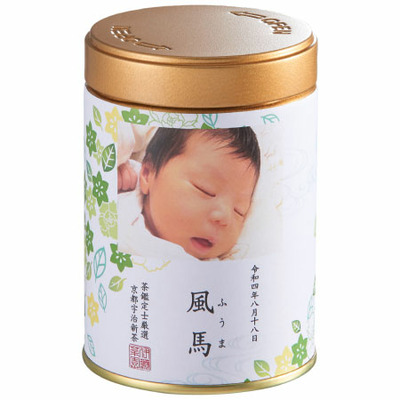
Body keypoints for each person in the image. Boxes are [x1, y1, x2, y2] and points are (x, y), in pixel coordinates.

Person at [118, 127, 260, 260]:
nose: (224, 217)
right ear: (148, 173)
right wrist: (115, 171)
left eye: (239, 211)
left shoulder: (214, 269)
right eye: (205, 190)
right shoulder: (123, 194)